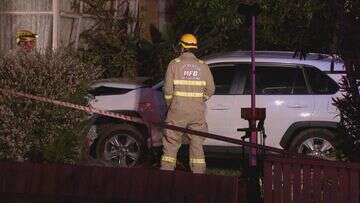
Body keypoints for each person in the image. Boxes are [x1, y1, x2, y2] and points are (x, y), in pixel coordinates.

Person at [160, 33, 215, 174]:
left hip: (177, 110)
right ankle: (198, 178)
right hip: (197, 111)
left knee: (171, 143)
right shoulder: (203, 66)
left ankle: (165, 176)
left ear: (182, 47)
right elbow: (211, 89)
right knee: (197, 144)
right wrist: (200, 99)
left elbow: (167, 90)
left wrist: (170, 105)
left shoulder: (174, 64)